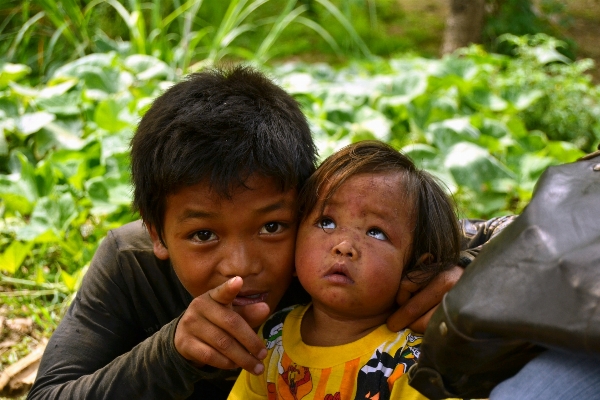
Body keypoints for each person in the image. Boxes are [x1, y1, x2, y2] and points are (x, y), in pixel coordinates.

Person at [28, 65, 509, 400]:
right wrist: (171, 352)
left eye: (272, 226)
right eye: (202, 235)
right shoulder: (128, 262)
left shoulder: (333, 256)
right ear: (157, 232)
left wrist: (474, 272)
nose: (241, 265)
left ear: (304, 207)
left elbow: (523, 232)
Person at [228, 140, 462, 400]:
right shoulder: (274, 334)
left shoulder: (414, 361)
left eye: (376, 232)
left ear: (418, 268)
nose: (344, 246)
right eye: (326, 222)